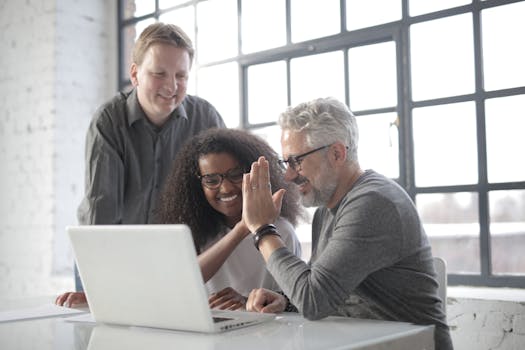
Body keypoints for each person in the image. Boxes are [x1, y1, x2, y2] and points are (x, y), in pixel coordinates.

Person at [240, 97, 454, 350]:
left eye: (296, 161)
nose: (288, 175)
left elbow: (314, 301)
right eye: (285, 162)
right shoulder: (328, 208)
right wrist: (285, 302)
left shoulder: (374, 202)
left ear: (337, 154)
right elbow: (326, 291)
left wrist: (264, 230)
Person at [56, 22, 225, 307]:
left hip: (178, 258)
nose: (171, 87)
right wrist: (98, 285)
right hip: (110, 252)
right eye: (159, 74)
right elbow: (102, 209)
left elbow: (224, 195)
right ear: (135, 74)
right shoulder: (109, 121)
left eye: (181, 76)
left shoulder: (205, 119)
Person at [155, 128, 302, 309]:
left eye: (235, 175)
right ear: (197, 185)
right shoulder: (195, 231)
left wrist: (246, 301)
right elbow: (181, 282)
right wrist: (242, 228)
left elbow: (289, 300)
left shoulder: (280, 231)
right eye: (211, 180)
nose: (225, 188)